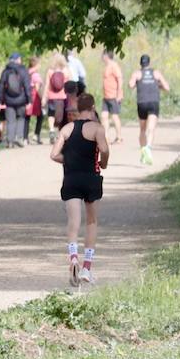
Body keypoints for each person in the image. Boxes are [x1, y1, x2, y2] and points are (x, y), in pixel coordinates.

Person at [51, 93, 110, 286]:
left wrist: (69, 160)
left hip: (71, 179)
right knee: (91, 222)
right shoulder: (97, 129)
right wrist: (103, 162)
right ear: (92, 107)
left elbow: (54, 155)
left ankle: (73, 257)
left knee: (73, 222)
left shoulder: (67, 129)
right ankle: (87, 268)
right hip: (91, 179)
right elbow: (105, 150)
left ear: (77, 108)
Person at [130, 55, 171, 164]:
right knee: (151, 129)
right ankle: (148, 148)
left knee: (142, 129)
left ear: (140, 63)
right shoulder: (156, 73)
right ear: (149, 63)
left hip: (142, 103)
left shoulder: (137, 73)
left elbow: (130, 85)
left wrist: (138, 84)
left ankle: (143, 150)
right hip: (153, 102)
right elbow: (167, 87)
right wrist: (158, 86)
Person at [0, 52, 31, 148]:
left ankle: (10, 141)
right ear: (18, 60)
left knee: (10, 121)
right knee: (21, 118)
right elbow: (27, 86)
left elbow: (0, 87)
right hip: (21, 100)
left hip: (8, 101)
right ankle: (19, 138)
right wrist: (29, 100)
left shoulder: (5, 71)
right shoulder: (23, 70)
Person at [100, 50, 125, 145]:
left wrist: (119, 93)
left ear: (106, 56)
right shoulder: (107, 66)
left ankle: (119, 137)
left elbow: (120, 79)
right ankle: (105, 137)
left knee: (114, 117)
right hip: (106, 96)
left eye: (103, 55)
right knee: (104, 116)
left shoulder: (114, 65)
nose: (101, 57)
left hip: (114, 96)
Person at [46, 57, 69, 130]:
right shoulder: (66, 71)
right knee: (62, 115)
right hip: (62, 97)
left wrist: (44, 97)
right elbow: (68, 84)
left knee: (51, 114)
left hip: (51, 97)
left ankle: (51, 130)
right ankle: (61, 131)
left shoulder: (50, 71)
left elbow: (47, 85)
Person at [27, 56, 46, 145]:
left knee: (27, 117)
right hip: (35, 98)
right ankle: (36, 135)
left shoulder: (27, 72)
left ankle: (25, 137)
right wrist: (42, 98)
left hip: (28, 97)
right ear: (36, 64)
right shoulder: (35, 75)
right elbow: (38, 88)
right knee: (40, 116)